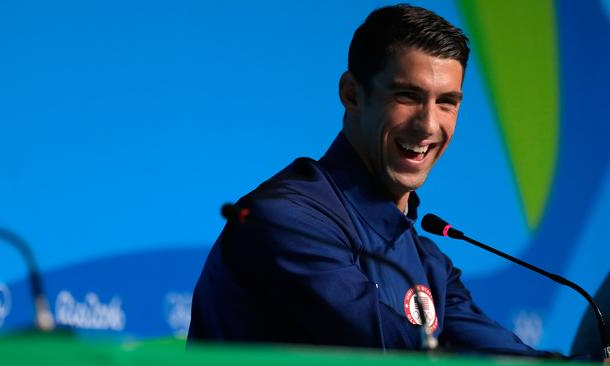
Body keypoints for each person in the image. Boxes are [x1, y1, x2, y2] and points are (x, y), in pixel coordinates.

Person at [188, 4, 552, 356]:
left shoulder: (427, 262)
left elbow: (501, 356)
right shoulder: (284, 220)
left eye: (447, 102)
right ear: (352, 95)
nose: (428, 125)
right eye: (407, 96)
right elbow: (392, 353)